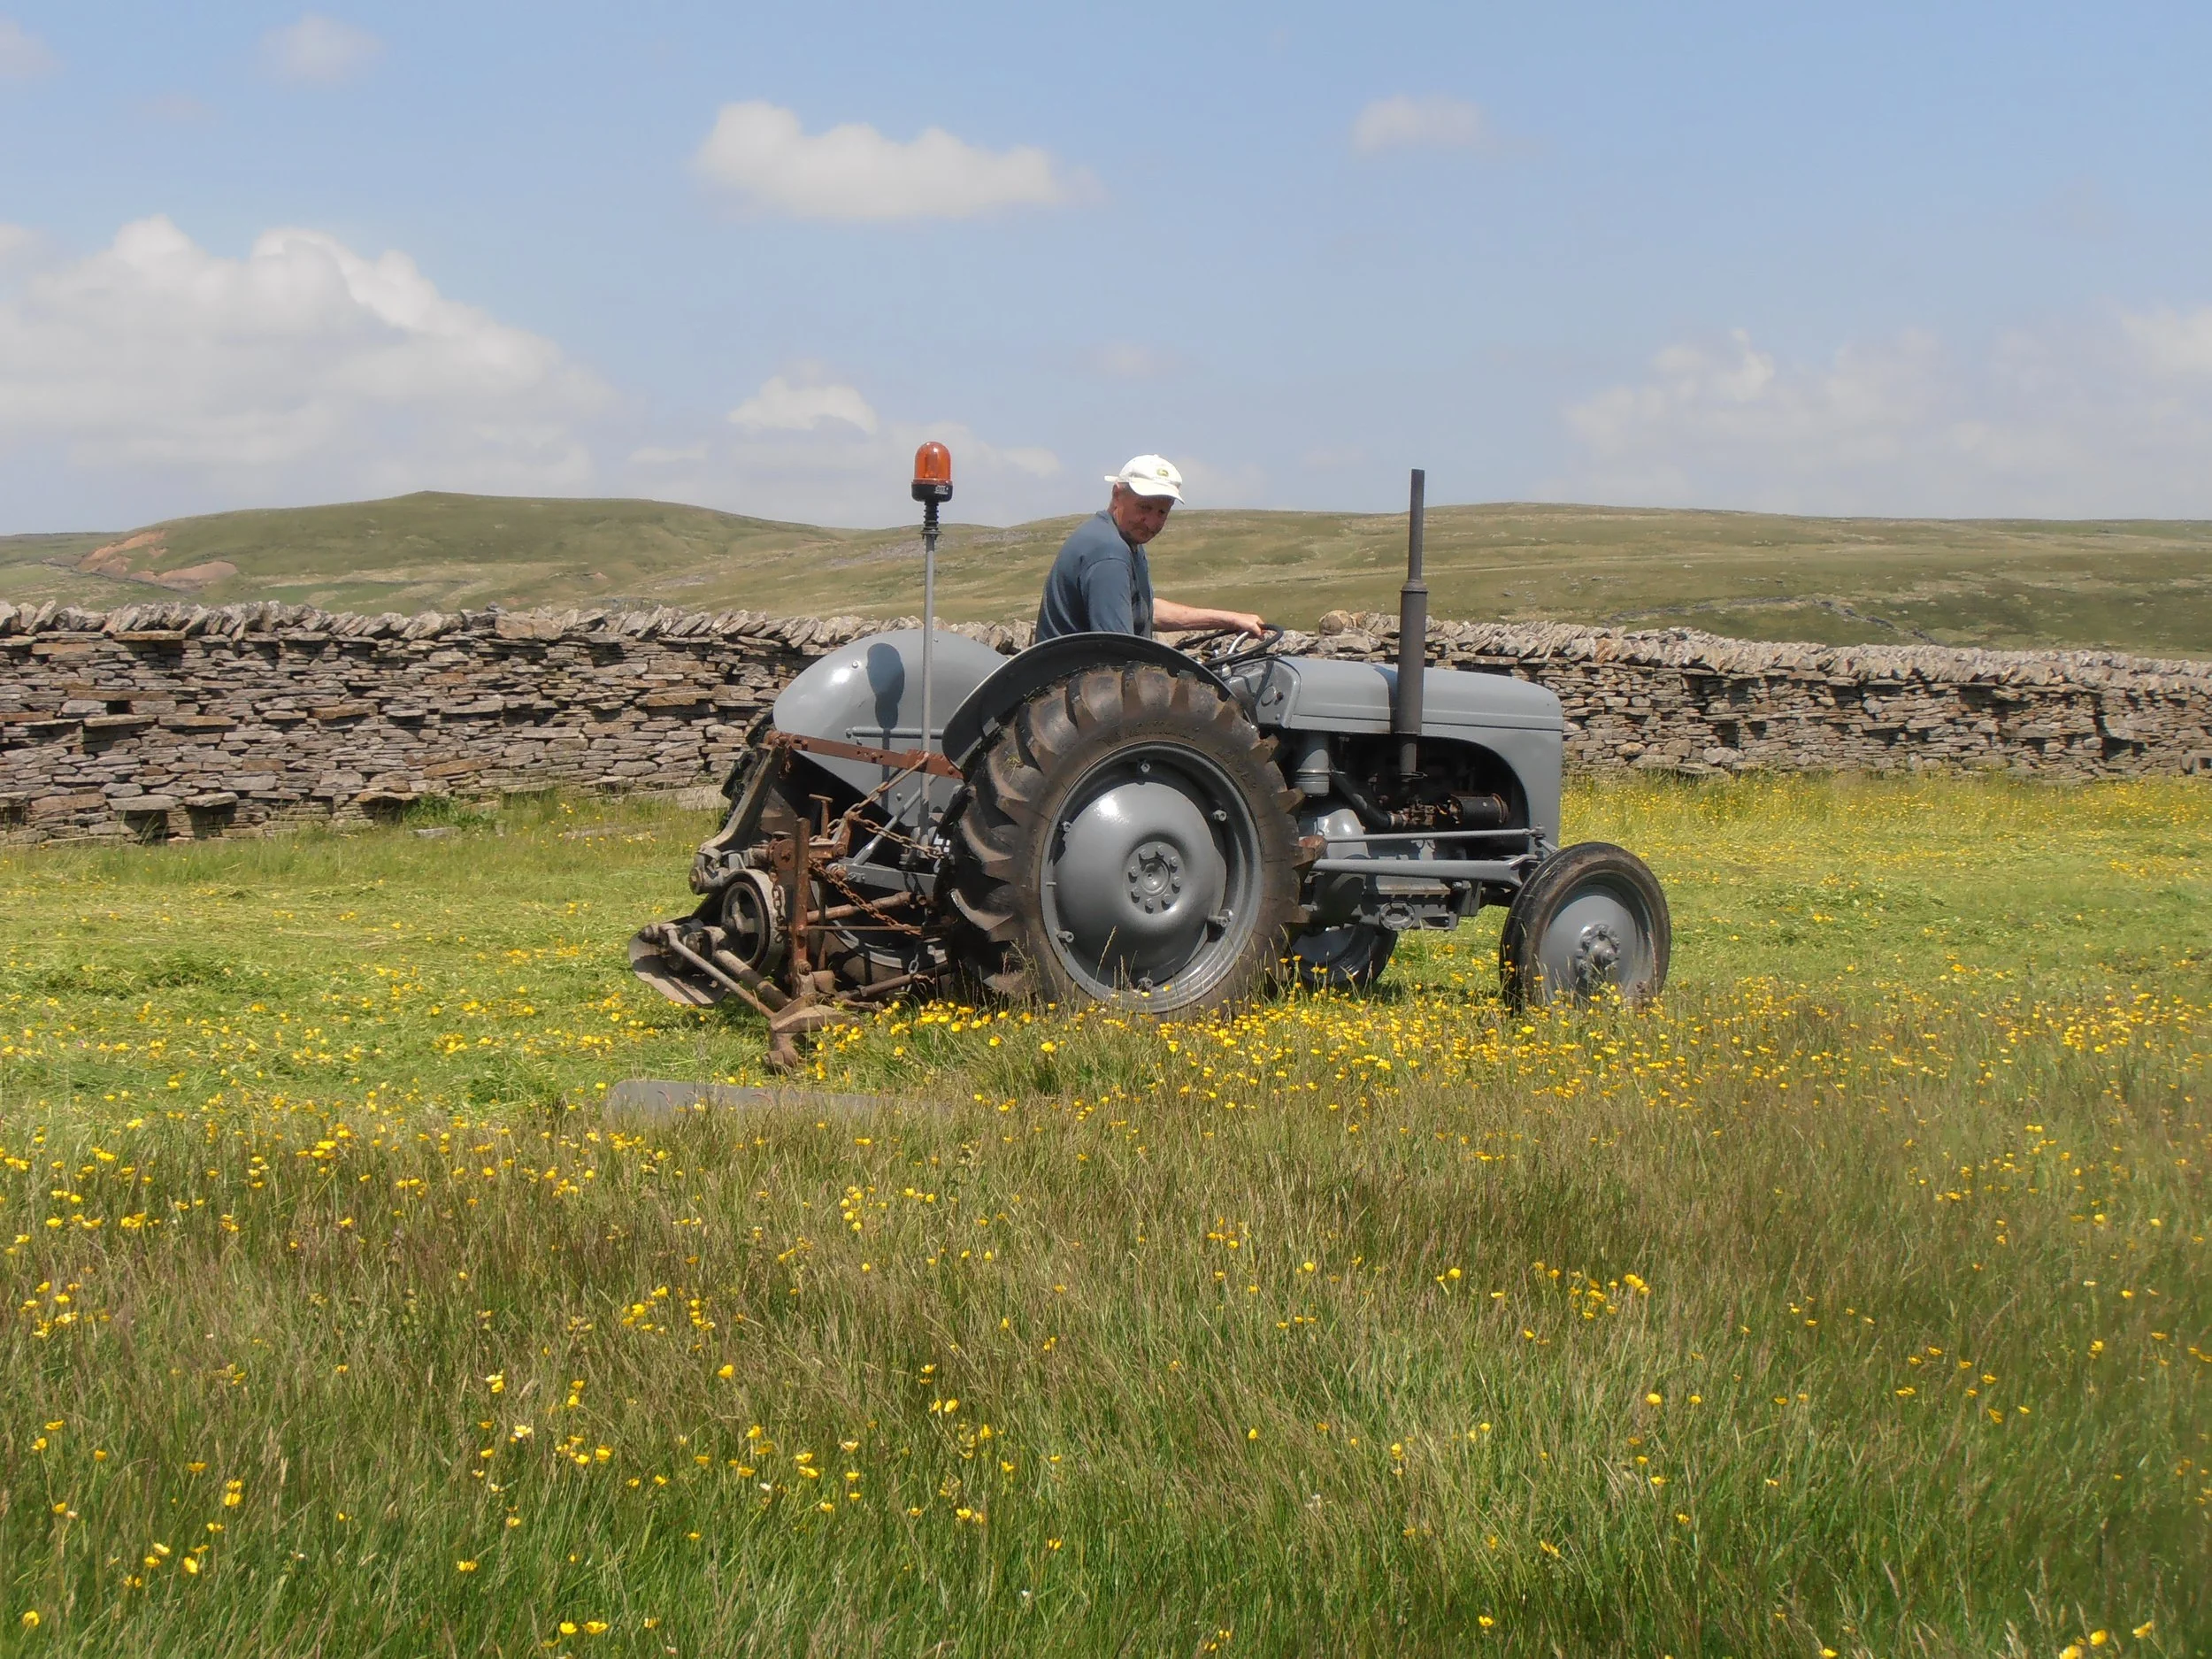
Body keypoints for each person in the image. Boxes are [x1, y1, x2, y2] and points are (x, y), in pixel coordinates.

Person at [1034, 454, 1267, 642]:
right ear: (1117, 495)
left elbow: (1144, 610)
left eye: (1162, 512)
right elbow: (1119, 648)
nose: (1152, 523)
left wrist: (1231, 619)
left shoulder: (1124, 539)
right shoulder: (1108, 552)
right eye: (1144, 508)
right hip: (1080, 688)